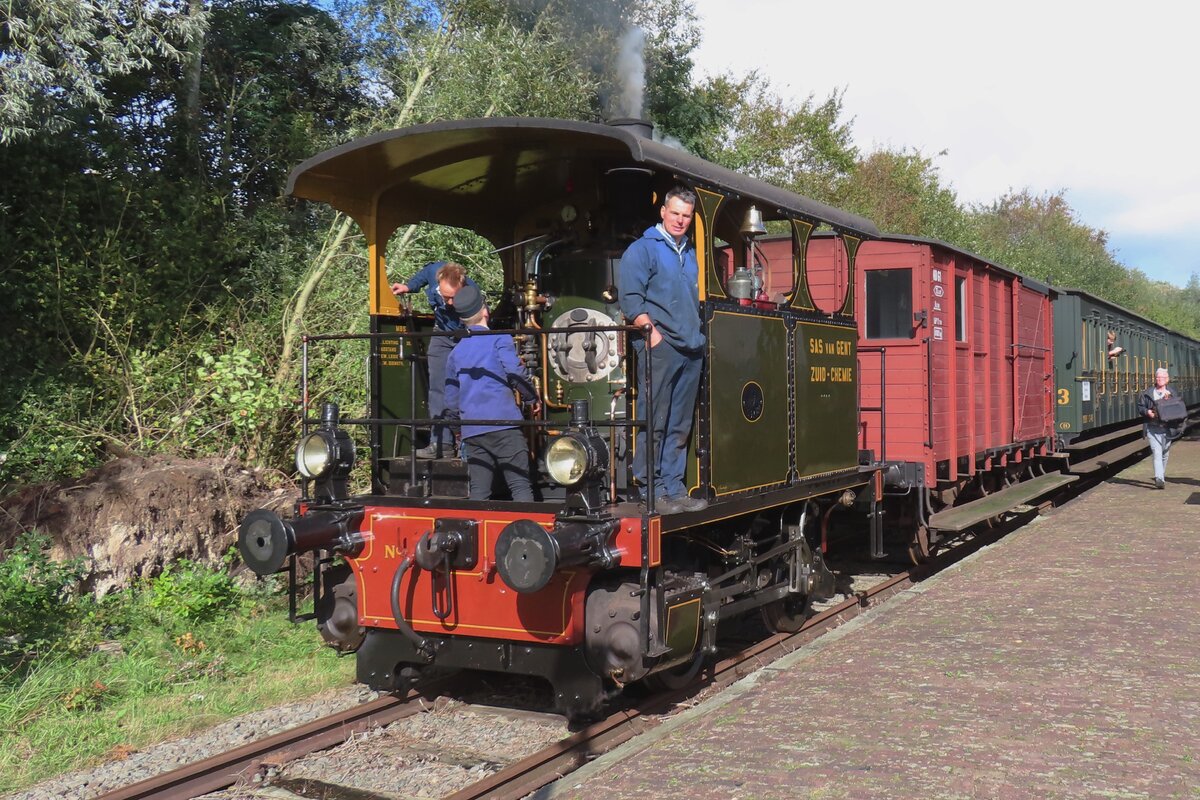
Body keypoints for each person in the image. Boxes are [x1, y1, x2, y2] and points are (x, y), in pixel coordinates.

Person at [617, 186, 708, 514]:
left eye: (686, 215)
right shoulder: (642, 250)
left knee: (680, 423)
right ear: (663, 212)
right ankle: (651, 489)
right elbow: (630, 298)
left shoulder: (689, 252)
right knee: (654, 419)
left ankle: (674, 487)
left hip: (691, 347)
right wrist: (651, 333)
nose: (680, 220)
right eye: (675, 213)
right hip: (661, 345)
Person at [443, 284, 539, 501]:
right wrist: (531, 397)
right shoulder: (499, 338)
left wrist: (458, 430)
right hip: (503, 424)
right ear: (485, 311)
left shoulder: (455, 353)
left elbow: (450, 400)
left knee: (479, 491)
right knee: (520, 486)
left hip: (472, 430)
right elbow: (514, 372)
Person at [392, 261, 480, 458]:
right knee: (438, 388)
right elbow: (422, 276)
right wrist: (408, 287)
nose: (450, 303)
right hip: (441, 334)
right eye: (447, 297)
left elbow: (481, 321)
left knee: (468, 388)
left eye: (454, 299)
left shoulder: (472, 291)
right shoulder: (434, 272)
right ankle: (441, 444)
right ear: (439, 282)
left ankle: (470, 445)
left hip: (466, 336)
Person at [1137, 367, 1180, 489]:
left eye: (1162, 378)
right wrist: (1147, 412)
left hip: (1167, 428)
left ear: (1167, 380)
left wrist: (1170, 400)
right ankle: (1159, 479)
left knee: (1165, 452)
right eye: (1158, 377)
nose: (1159, 379)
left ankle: (1161, 474)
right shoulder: (1148, 393)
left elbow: (1178, 408)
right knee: (1157, 453)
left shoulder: (1172, 392)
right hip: (1153, 427)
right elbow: (1140, 407)